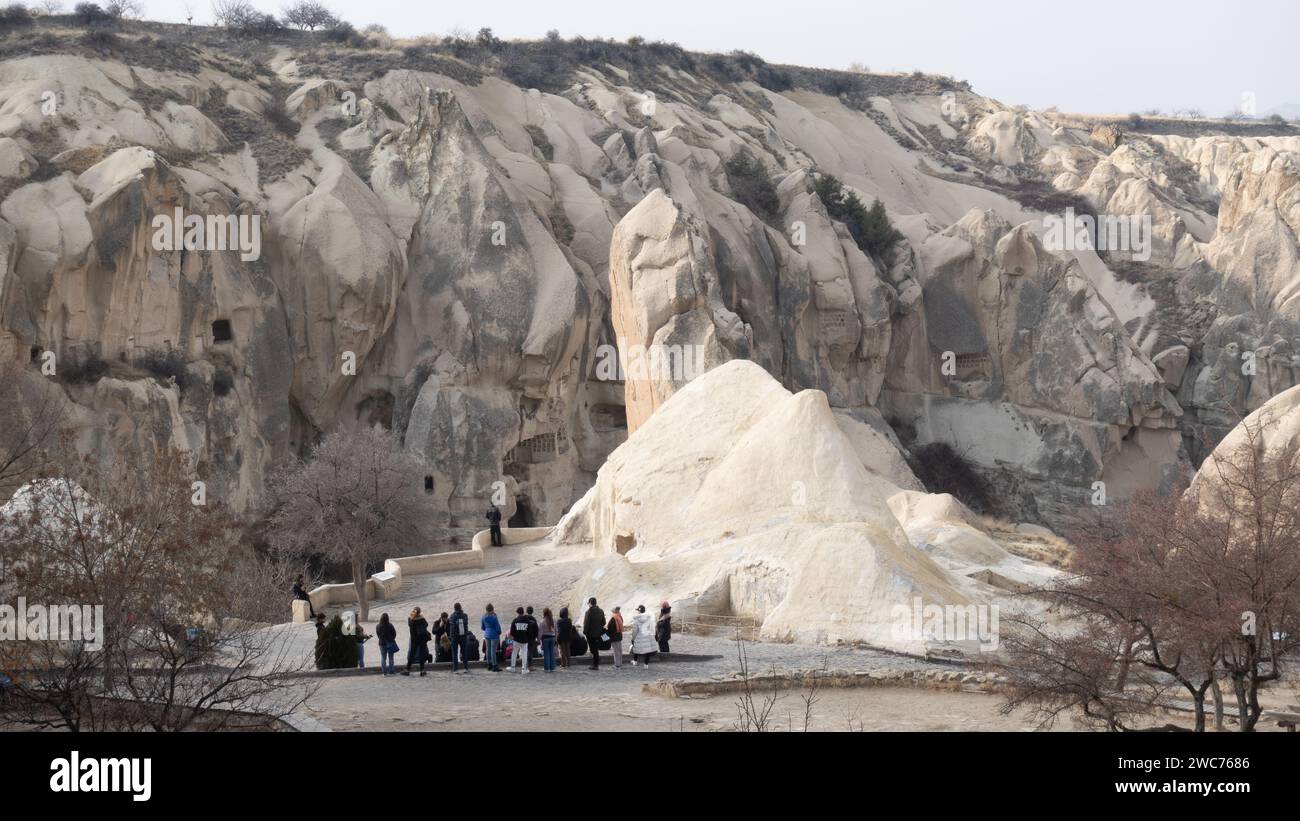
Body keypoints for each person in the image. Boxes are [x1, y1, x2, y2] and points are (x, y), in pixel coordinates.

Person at [402, 607, 431, 676]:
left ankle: (407, 670)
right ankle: (422, 670)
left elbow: (410, 625)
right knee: (422, 654)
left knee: (412, 654)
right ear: (419, 612)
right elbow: (426, 625)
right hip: (422, 639)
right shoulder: (422, 619)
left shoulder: (410, 619)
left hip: (414, 639)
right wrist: (421, 617)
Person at [509, 607, 536, 673]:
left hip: (516, 640)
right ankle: (524, 669)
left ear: (517, 613)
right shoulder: (527, 621)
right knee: (524, 654)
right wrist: (528, 638)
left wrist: (515, 635)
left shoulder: (515, 620)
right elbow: (530, 632)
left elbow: (512, 631)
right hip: (525, 640)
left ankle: (512, 667)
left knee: (514, 653)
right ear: (523, 612)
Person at [582, 597, 606, 671]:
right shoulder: (601, 611)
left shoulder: (588, 612)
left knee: (593, 649)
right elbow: (604, 623)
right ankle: (596, 662)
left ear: (590, 603)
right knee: (596, 649)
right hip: (598, 633)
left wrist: (585, 632)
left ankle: (595, 664)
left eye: (588, 603)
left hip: (590, 634)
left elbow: (586, 624)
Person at [449, 603, 471, 673]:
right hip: (463, 636)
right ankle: (466, 668)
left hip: (455, 637)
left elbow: (451, 627)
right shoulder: (465, 616)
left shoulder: (452, 616)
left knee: (454, 653)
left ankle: (455, 669)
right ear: (460, 607)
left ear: (454, 608)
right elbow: (466, 624)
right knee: (464, 652)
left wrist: (451, 636)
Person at [481, 604, 502, 672]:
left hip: (487, 634)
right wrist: (499, 632)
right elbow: (498, 627)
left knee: (488, 649)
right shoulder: (494, 617)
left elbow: (482, 627)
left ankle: (489, 664)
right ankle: (494, 665)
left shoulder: (483, 617)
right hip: (494, 635)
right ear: (492, 609)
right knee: (493, 651)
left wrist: (487, 629)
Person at [539, 608, 558, 672]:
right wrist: (556, 639)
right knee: (552, 653)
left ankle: (547, 668)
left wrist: (539, 640)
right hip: (552, 638)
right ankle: (552, 668)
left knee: (546, 653)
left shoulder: (542, 621)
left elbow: (540, 632)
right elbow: (556, 631)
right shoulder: (554, 620)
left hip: (545, 638)